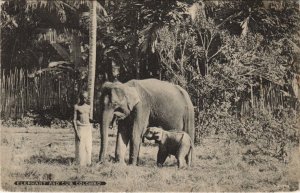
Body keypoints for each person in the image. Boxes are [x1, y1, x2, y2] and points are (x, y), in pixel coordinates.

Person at [73, 91, 92, 166]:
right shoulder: (76, 107)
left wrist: (96, 121)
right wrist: (76, 132)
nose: (85, 99)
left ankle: (88, 163)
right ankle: (80, 164)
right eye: (83, 97)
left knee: (88, 146)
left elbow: (89, 118)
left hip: (88, 128)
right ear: (80, 98)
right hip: (80, 128)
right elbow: (74, 120)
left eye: (86, 98)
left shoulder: (88, 107)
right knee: (80, 147)